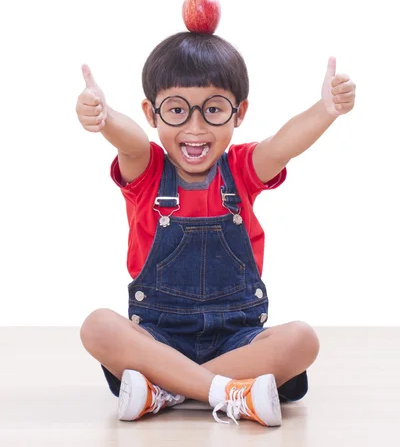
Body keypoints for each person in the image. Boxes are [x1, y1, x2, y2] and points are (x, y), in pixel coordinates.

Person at [76, 31, 356, 427]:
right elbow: (133, 142)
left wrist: (325, 110)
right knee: (97, 327)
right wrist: (106, 120)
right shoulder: (147, 170)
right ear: (151, 112)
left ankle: (165, 391)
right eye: (176, 110)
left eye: (213, 110)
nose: (195, 127)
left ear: (239, 113)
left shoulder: (241, 169)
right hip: (158, 340)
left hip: (237, 340)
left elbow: (283, 145)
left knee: (302, 339)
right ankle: (228, 392)